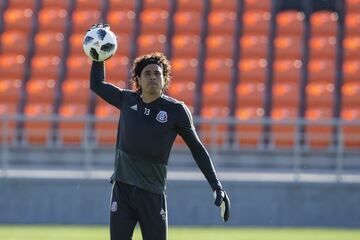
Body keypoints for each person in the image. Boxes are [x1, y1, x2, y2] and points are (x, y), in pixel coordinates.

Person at [89, 24, 230, 240]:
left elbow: (197, 148)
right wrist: (98, 56)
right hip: (123, 190)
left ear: (165, 79)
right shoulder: (126, 100)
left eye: (158, 73)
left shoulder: (176, 110)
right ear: (138, 80)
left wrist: (216, 185)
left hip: (152, 194)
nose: (153, 77)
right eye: (147, 73)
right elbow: (97, 84)